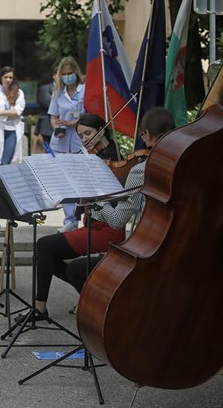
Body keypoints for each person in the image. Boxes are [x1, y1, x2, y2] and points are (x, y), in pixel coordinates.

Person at [31, 108, 176, 321]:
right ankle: (93, 298)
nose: (84, 139)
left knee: (47, 249)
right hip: (158, 241)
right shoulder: (181, 164)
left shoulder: (128, 164)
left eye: (88, 133)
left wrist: (97, 202)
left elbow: (117, 218)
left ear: (145, 135)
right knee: (47, 251)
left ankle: (96, 304)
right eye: (80, 136)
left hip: (113, 230)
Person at [48, 56, 86, 233]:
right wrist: (58, 125)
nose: (68, 77)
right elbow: (53, 117)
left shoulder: (84, 90)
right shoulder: (58, 92)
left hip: (79, 141)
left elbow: (87, 117)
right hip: (61, 142)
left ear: (76, 73)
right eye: (64, 74)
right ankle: (69, 220)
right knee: (64, 183)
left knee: (79, 182)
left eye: (70, 73)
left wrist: (73, 123)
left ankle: (82, 218)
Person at [0, 67, 25, 166]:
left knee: (6, 162)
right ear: (1, 78)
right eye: (6, 77)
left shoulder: (19, 93)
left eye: (10, 77)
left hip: (12, 131)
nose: (8, 80)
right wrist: (9, 114)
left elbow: (17, 111)